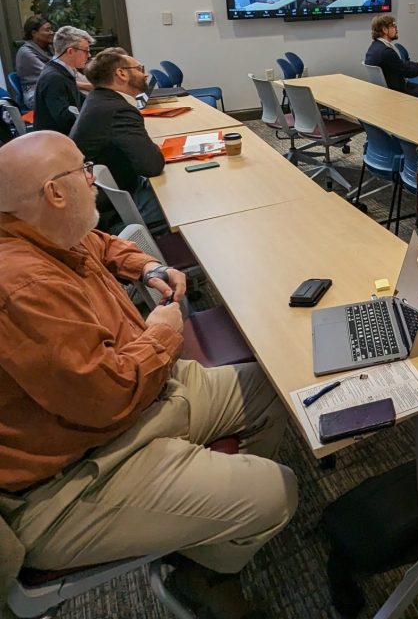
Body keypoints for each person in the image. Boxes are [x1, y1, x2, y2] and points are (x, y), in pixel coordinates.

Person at [0, 132, 297, 619]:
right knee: (277, 491)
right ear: (55, 192)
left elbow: (98, 242)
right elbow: (108, 397)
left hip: (144, 402)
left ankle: (204, 532)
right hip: (74, 476)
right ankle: (203, 575)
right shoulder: (22, 286)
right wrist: (162, 331)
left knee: (277, 391)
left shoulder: (41, 230)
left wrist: (145, 265)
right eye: (83, 171)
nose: (93, 180)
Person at [70, 47, 167, 230]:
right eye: (140, 69)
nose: (145, 75)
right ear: (121, 74)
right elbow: (152, 165)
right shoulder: (118, 110)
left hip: (103, 199)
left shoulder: (99, 99)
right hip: (114, 210)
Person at [32, 25, 93, 134]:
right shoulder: (54, 78)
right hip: (53, 143)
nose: (89, 55)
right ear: (70, 51)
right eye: (85, 51)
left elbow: (81, 101)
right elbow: (65, 119)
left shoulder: (62, 71)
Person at [364, 13, 418, 100]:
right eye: (393, 26)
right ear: (385, 29)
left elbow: (400, 65)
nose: (397, 29)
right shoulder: (386, 52)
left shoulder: (375, 47)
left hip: (387, 91)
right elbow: (407, 72)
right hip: (398, 92)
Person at [14, 15, 54, 109]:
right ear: (34, 33)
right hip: (34, 94)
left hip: (51, 89)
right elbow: (52, 75)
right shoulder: (25, 52)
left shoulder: (49, 48)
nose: (52, 33)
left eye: (51, 29)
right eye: (47, 30)